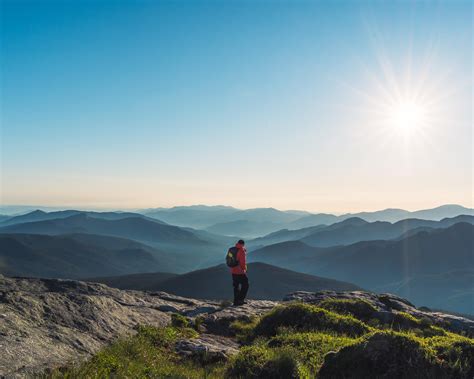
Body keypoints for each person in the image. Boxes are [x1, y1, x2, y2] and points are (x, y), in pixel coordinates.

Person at [230, 239, 249, 306]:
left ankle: (236, 301)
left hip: (233, 271)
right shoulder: (241, 250)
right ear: (243, 244)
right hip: (240, 272)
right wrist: (244, 269)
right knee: (246, 285)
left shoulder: (232, 249)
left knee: (236, 286)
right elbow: (243, 262)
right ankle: (240, 300)